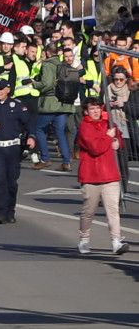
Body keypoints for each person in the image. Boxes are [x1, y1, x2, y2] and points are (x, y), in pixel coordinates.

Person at [0, 80, 36, 224]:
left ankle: (10, 211)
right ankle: (0, 212)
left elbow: (29, 123)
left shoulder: (17, 106)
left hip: (13, 148)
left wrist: (31, 137)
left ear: (8, 90)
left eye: (1, 89)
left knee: (11, 181)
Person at [75, 98, 129, 255]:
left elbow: (118, 138)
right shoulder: (84, 127)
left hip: (110, 174)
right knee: (88, 211)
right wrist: (108, 137)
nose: (96, 111)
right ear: (86, 111)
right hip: (90, 176)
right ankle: (84, 239)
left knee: (113, 209)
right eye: (92, 109)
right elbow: (95, 147)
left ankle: (116, 241)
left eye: (98, 108)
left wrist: (117, 141)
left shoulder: (108, 123)